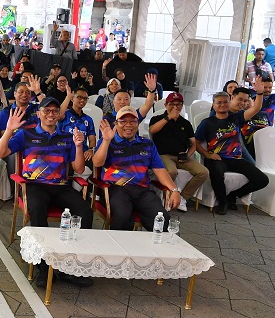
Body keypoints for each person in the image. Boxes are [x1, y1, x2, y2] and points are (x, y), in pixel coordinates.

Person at [0, 97, 93, 288]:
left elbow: (79, 169)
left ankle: (69, 268)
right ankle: (43, 268)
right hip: (35, 185)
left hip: (61, 187)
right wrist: (9, 130)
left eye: (54, 111)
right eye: (46, 111)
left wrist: (79, 146)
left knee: (85, 212)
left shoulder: (67, 136)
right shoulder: (26, 134)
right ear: (38, 113)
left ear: (59, 115)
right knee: (38, 210)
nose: (51, 114)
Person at [92, 106, 181, 230]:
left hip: (143, 191)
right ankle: (119, 247)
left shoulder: (147, 144)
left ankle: (153, 248)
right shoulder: (108, 141)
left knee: (162, 219)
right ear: (116, 124)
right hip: (117, 189)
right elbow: (97, 163)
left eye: (133, 121)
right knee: (122, 217)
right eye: (123, 121)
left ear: (138, 123)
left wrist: (175, 190)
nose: (128, 125)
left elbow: (160, 170)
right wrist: (106, 140)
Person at [195, 85, 269, 215]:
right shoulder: (207, 123)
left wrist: (259, 93)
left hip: (236, 159)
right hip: (217, 158)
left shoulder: (236, 118)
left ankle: (233, 196)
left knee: (262, 179)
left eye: (225, 102)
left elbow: (256, 108)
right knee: (217, 173)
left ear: (230, 102)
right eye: (219, 102)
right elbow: (195, 143)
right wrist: (207, 154)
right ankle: (222, 202)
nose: (223, 105)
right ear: (214, 105)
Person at [148, 92, 209, 212]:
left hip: (182, 156)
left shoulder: (185, 124)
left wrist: (188, 155)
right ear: (166, 105)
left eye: (178, 104)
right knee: (172, 171)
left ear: (182, 106)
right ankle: (164, 196)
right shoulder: (157, 119)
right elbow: (152, 130)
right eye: (172, 104)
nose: (175, 107)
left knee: (203, 172)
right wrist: (168, 117)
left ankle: (183, 198)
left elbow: (193, 143)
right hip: (164, 154)